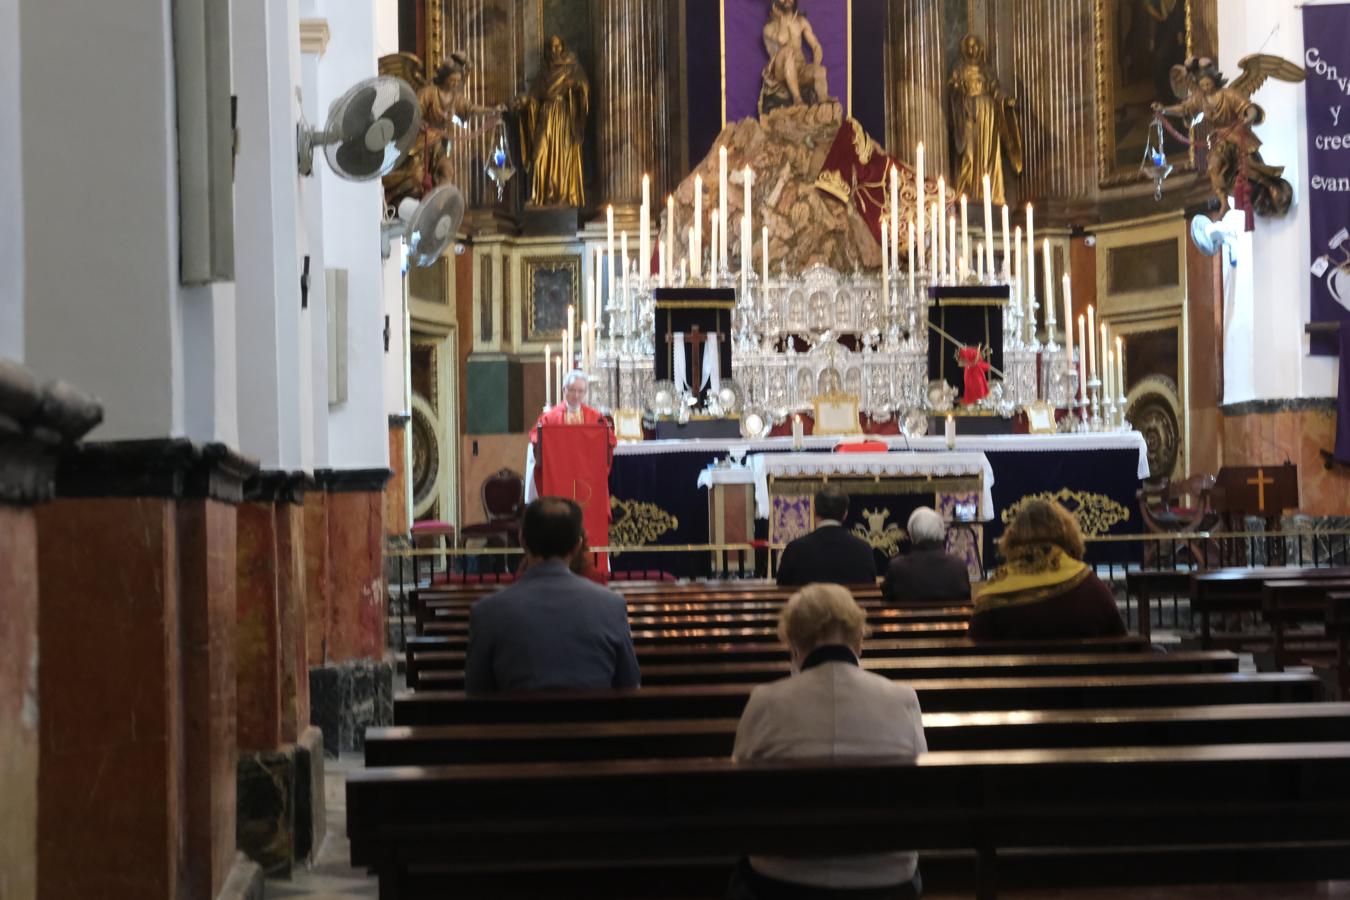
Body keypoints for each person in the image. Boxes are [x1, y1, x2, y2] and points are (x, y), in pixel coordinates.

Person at [730, 584, 926, 899]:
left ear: (793, 643)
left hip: (782, 874)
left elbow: (742, 792)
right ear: (858, 640)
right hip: (883, 875)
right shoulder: (902, 699)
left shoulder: (765, 701)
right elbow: (918, 788)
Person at [465, 497, 639, 692]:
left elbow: (476, 692)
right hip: (592, 722)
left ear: (522, 540)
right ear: (577, 545)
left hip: (516, 722)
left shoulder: (486, 612)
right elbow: (629, 684)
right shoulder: (612, 606)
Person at [970, 499, 1127, 641]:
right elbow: (1121, 646)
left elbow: (974, 651)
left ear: (1012, 538)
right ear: (1068, 536)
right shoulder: (1090, 587)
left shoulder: (993, 594)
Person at [512, 34, 589, 208]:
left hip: (564, 115)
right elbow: (535, 96)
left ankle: (562, 196)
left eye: (557, 46)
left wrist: (576, 85)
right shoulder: (544, 72)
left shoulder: (571, 67)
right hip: (546, 114)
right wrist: (525, 101)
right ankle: (539, 195)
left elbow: (584, 85)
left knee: (562, 155)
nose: (554, 50)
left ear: (562, 47)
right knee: (538, 153)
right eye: (551, 47)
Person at [525, 369, 616, 502]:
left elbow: (610, 440)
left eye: (581, 391)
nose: (576, 395)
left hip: (586, 474)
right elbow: (535, 437)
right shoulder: (549, 418)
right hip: (559, 474)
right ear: (564, 390)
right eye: (572, 390)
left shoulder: (595, 417)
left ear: (585, 393)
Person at [775, 485, 877, 587]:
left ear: (814, 511)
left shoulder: (794, 549)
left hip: (808, 603)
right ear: (845, 514)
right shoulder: (863, 549)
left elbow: (781, 587)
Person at [883, 507, 971, 606]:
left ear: (911, 534)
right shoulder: (957, 566)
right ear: (941, 532)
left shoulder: (897, 567)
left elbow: (886, 602)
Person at [759, 0, 829, 113]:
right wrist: (783, 21)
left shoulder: (801, 22)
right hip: (780, 72)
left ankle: (823, 102)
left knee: (820, 71)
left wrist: (816, 62)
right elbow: (783, 40)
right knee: (788, 51)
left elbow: (815, 45)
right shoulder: (769, 28)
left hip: (800, 68)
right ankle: (797, 98)